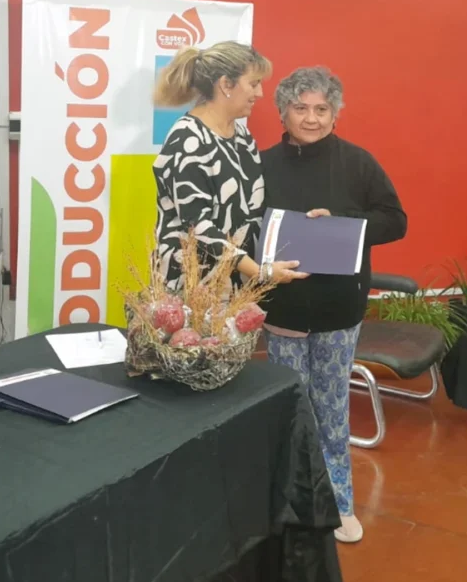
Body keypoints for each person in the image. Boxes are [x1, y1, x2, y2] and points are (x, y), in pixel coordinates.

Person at [260, 66, 407, 544]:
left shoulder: (358, 163)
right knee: (288, 410)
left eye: (322, 108)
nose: (311, 117)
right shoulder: (261, 165)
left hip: (339, 311)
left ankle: (339, 502)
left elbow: (396, 221)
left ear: (335, 113)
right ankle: (289, 504)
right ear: (282, 112)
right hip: (282, 311)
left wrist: (343, 221)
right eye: (300, 107)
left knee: (331, 409)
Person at [152, 41, 306, 289]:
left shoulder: (242, 136)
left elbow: (256, 207)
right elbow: (198, 226)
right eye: (253, 84)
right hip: (193, 288)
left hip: (236, 285)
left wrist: (311, 221)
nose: (260, 93)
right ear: (225, 84)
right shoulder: (187, 140)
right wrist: (260, 272)